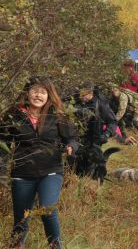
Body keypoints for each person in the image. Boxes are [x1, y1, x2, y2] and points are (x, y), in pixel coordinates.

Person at [0, 77, 78, 248]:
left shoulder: (57, 114)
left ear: (49, 95)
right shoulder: (14, 115)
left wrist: (71, 146)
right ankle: (15, 245)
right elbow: (3, 143)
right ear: (27, 93)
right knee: (21, 218)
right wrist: (2, 171)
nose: (38, 95)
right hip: (22, 173)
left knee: (47, 209)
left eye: (43, 92)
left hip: (50, 170)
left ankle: (55, 246)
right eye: (34, 91)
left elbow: (71, 137)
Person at [76, 83, 117, 147]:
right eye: (80, 95)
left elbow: (112, 122)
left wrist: (106, 134)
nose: (81, 97)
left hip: (94, 141)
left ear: (90, 93)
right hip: (78, 140)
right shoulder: (78, 103)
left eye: (83, 95)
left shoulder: (101, 104)